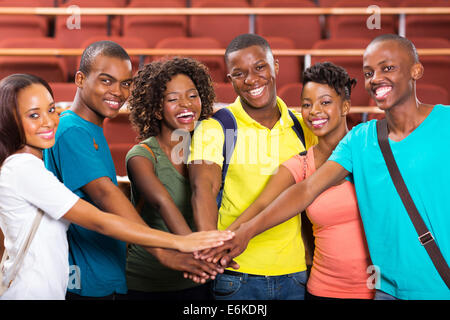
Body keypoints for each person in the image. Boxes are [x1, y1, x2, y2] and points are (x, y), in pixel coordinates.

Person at [217, 34, 450, 300]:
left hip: (440, 286)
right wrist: (246, 231)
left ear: (416, 70)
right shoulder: (361, 138)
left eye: (387, 68)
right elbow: (306, 190)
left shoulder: (446, 123)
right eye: (368, 72)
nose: (375, 78)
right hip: (388, 291)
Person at [0, 73, 234, 300]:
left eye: (51, 110)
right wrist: (178, 242)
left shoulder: (31, 167)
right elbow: (100, 220)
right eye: (33, 115)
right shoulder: (22, 169)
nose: (49, 121)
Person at [43, 40, 217, 299]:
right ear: (80, 79)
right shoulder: (71, 130)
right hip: (85, 281)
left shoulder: (90, 129)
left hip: (107, 273)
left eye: (125, 83)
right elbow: (105, 195)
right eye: (106, 81)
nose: (117, 92)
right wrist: (164, 250)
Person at [203, 61, 375, 300]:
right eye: (307, 104)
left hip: (376, 289)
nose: (314, 111)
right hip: (323, 289)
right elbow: (262, 205)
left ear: (345, 106)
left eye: (325, 102)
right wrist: (224, 242)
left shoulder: (369, 147)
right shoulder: (300, 163)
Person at [188, 33, 317, 300]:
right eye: (239, 73)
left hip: (295, 274)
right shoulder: (216, 127)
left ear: (276, 67)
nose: (251, 79)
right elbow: (203, 189)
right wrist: (211, 249)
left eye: (260, 67)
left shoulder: (303, 128)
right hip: (236, 275)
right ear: (230, 79)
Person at [124, 57, 221, 300]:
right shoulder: (141, 156)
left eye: (192, 95)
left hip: (198, 276)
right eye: (173, 99)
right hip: (148, 281)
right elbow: (162, 203)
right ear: (156, 109)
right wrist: (199, 248)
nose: (186, 104)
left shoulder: (206, 145)